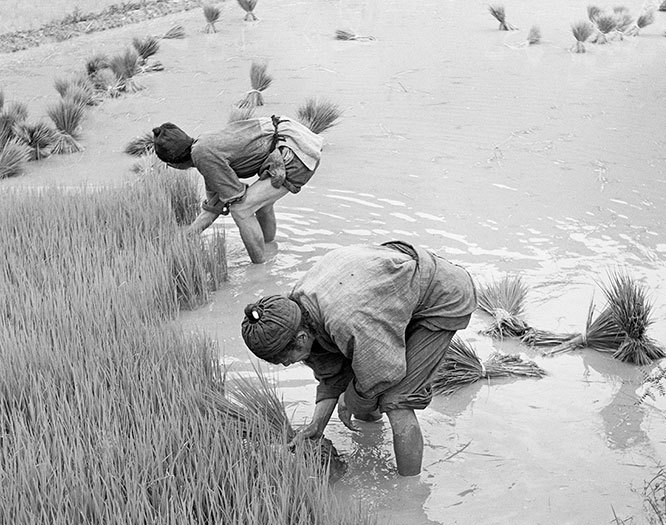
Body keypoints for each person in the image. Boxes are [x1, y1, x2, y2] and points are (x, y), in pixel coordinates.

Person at [240, 241, 476, 476]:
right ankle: (372, 435)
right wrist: (317, 426)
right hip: (389, 297)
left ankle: (409, 492)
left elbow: (384, 374)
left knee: (396, 399)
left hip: (441, 296)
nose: (286, 364)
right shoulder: (296, 311)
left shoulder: (347, 320)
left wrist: (349, 398)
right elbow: (331, 371)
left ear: (301, 338)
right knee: (362, 386)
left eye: (285, 359)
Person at [151, 115, 323, 264]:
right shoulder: (204, 146)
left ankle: (261, 269)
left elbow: (236, 199)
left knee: (241, 209)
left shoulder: (202, 155)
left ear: (172, 164)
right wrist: (186, 237)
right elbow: (213, 207)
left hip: (293, 150)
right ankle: (270, 248)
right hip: (293, 137)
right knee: (260, 204)